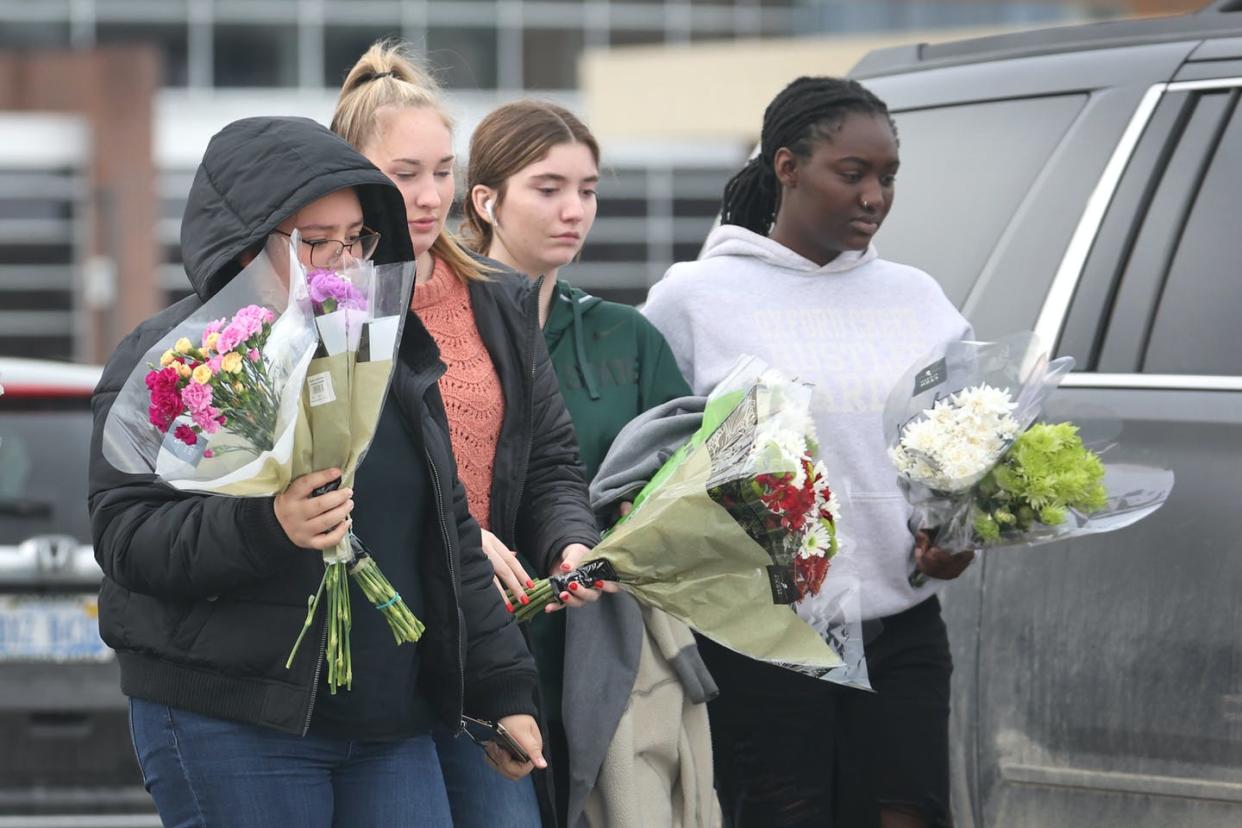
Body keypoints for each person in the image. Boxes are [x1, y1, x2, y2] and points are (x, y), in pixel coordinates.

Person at [88, 115, 546, 827]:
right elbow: (127, 538)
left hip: (390, 724)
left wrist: (505, 688)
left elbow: (447, 532)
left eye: (356, 239)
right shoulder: (176, 357)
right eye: (313, 241)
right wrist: (268, 525)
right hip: (235, 722)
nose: (340, 260)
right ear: (246, 246)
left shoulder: (375, 351)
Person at [641, 76, 976, 828]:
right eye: (851, 174)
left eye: (887, 177)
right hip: (762, 638)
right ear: (787, 166)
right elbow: (652, 465)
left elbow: (959, 447)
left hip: (903, 629)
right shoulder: (692, 299)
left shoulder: (919, 298)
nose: (874, 197)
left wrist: (953, 535)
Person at [331, 43, 604, 827]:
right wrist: (455, 533)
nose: (427, 196)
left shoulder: (496, 296)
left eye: (441, 171)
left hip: (481, 639)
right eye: (402, 174)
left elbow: (550, 458)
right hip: (379, 633)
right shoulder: (332, 301)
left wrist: (570, 543)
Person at [462, 101, 719, 828]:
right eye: (549, 188)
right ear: (486, 200)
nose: (575, 209)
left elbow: (688, 481)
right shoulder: (434, 324)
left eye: (589, 189)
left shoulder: (626, 337)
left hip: (603, 654)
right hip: (469, 656)